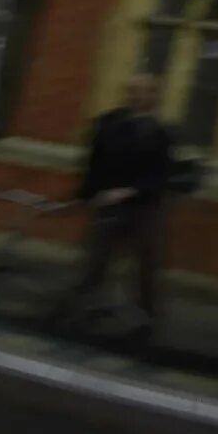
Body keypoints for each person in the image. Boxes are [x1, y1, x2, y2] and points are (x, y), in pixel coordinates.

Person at [65, 76, 179, 339]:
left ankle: (146, 318)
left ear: (154, 96)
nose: (137, 96)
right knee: (96, 258)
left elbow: (161, 175)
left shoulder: (161, 132)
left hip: (143, 207)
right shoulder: (109, 123)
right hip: (108, 203)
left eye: (145, 91)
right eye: (133, 91)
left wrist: (130, 191)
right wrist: (87, 194)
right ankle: (81, 310)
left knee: (146, 264)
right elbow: (94, 161)